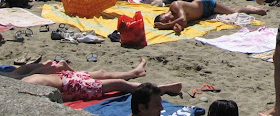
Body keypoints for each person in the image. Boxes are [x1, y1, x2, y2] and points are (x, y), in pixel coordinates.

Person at [19, 58, 182, 102]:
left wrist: (58, 68)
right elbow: (52, 96)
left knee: (102, 72)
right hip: (70, 86)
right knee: (119, 85)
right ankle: (161, 88)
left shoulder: (19, 80)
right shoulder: (23, 89)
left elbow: (34, 71)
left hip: (66, 78)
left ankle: (135, 71)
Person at [154, 0, 265, 34]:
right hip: (203, 14)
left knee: (232, 13)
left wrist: (164, 26)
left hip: (206, 4)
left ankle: (252, 10)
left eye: (166, 19)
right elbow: (181, 24)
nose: (169, 21)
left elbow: (183, 20)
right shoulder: (175, 19)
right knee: (230, 12)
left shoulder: (175, 6)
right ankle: (249, 8)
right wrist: (177, 28)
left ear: (164, 14)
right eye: (167, 22)